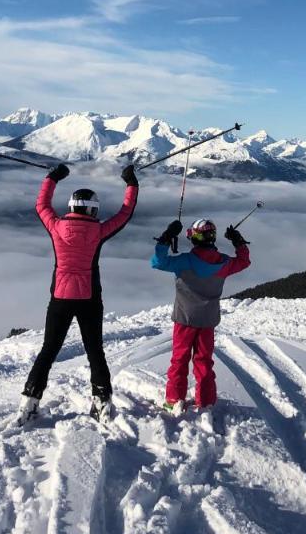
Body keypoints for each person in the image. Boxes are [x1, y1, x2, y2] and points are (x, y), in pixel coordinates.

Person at [17, 162, 139, 425]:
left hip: (60, 298)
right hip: (90, 299)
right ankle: (101, 402)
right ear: (94, 210)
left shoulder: (56, 227)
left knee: (48, 350)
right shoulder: (98, 231)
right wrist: (131, 183)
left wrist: (52, 178)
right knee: (95, 350)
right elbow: (125, 213)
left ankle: (30, 400)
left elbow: (42, 206)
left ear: (71, 207)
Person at [151, 217, 251, 413]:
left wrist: (166, 237)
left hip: (184, 320)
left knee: (179, 360)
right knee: (204, 361)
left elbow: (157, 262)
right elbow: (244, 261)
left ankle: (173, 399)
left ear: (194, 238)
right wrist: (237, 241)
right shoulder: (223, 262)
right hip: (208, 320)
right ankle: (205, 401)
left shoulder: (184, 261)